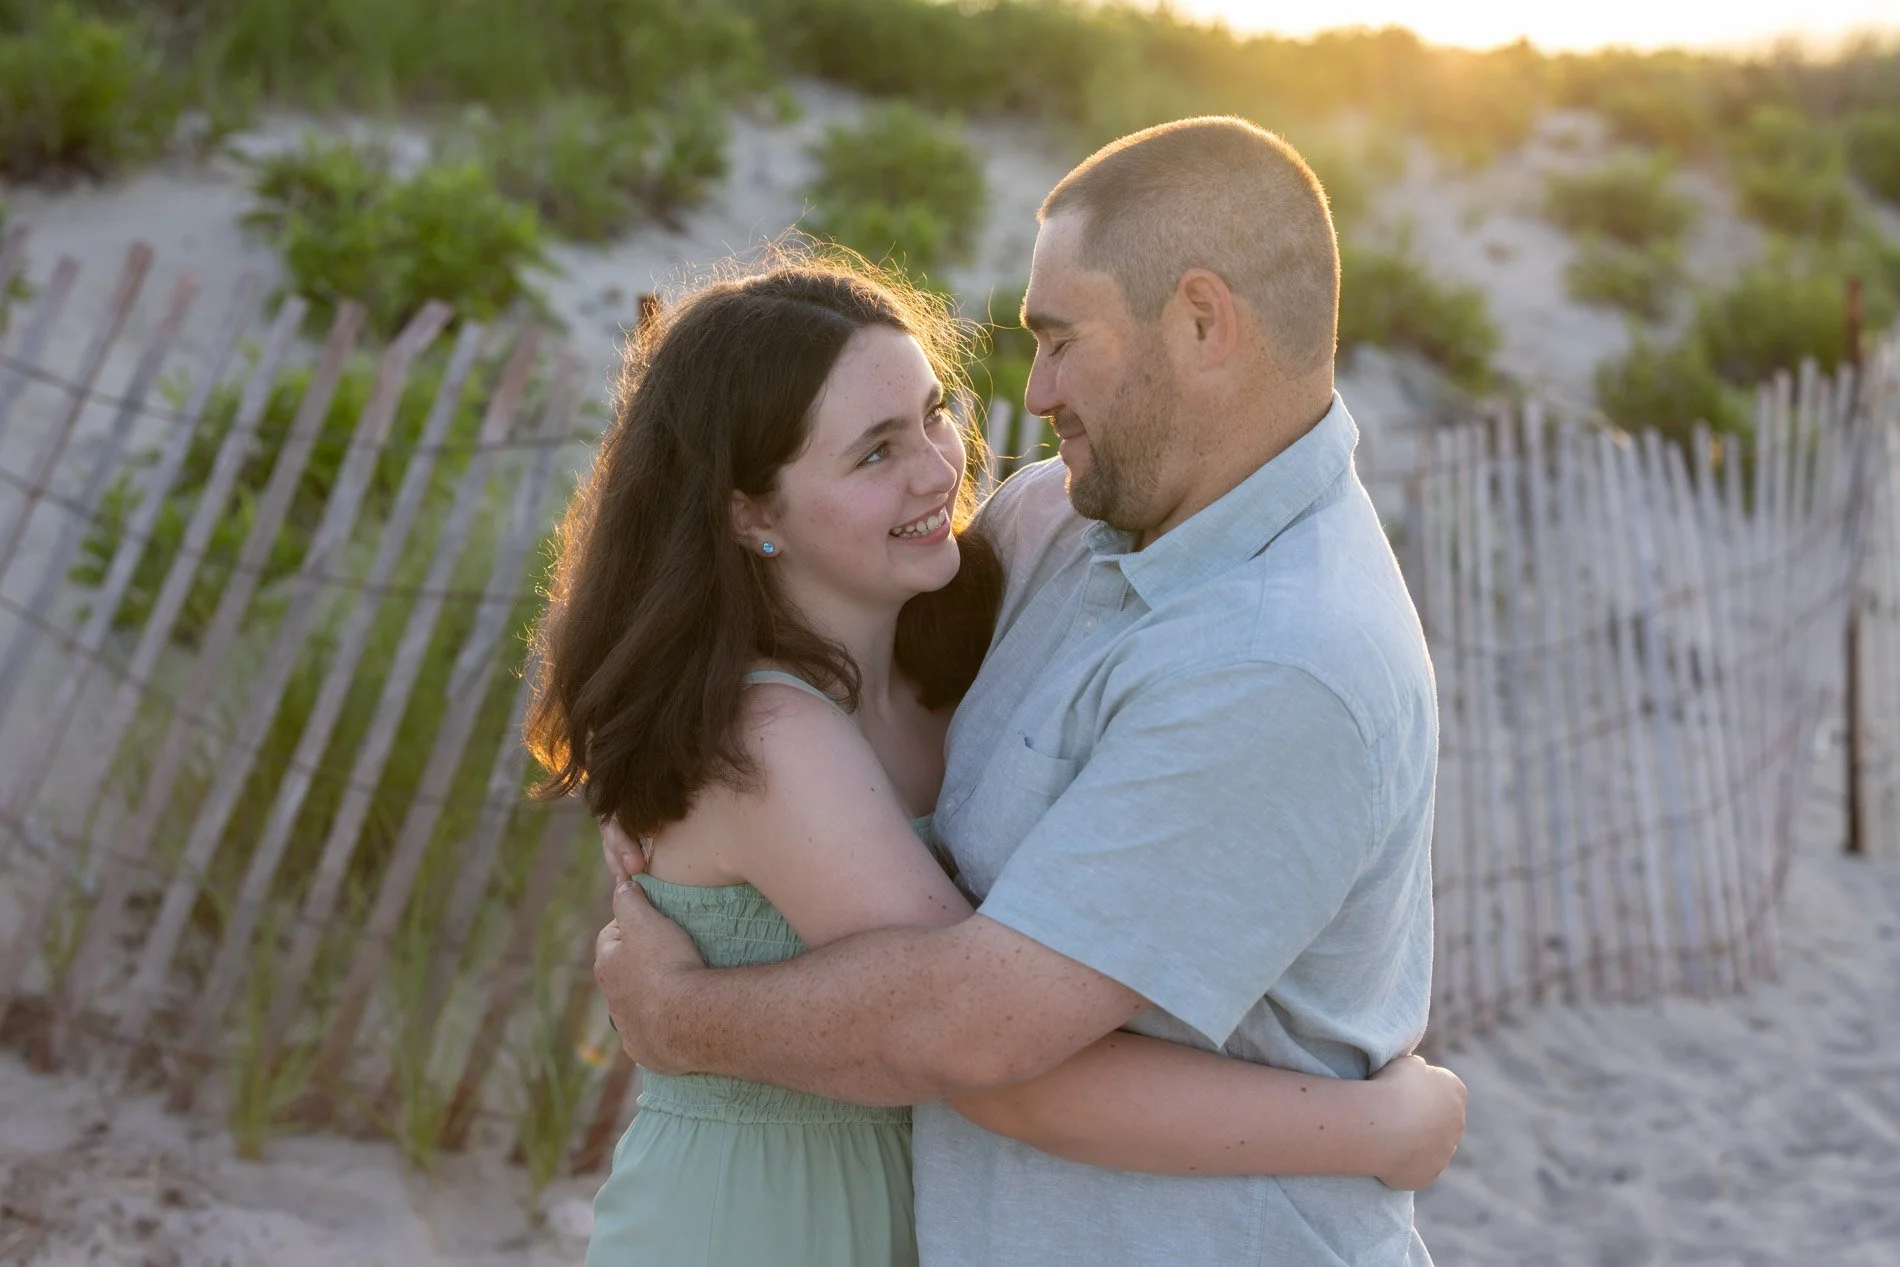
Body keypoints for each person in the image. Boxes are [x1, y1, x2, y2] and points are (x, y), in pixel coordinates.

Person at [593, 116, 1447, 1265]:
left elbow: (970, 1034)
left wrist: (680, 1014)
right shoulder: (1064, 528)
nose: (1030, 395)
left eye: (1060, 338)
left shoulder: (1276, 654)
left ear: (1202, 321)